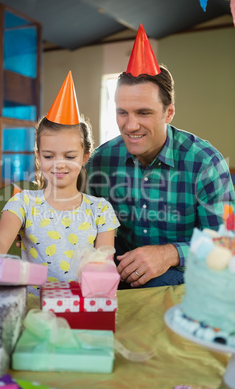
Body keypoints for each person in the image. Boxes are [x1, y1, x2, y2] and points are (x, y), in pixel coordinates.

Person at [86, 25, 235, 289]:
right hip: (114, 275)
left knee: (161, 281)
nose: (130, 126)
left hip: (184, 278)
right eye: (123, 112)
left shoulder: (205, 162)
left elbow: (228, 243)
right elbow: (83, 224)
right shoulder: (100, 160)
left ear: (169, 113)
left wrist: (170, 253)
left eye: (143, 113)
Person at [0, 72, 120, 296]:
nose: (59, 164)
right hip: (32, 308)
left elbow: (103, 266)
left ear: (85, 157)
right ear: (38, 156)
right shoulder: (23, 203)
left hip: (82, 307)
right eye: (49, 156)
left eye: (70, 156)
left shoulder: (100, 210)